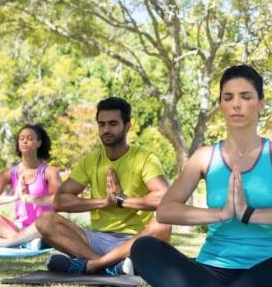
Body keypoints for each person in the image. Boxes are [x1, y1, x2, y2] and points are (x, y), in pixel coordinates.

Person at [131, 65, 272, 287]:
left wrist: (249, 214)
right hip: (210, 270)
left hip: (264, 273)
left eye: (246, 96)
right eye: (228, 97)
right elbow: (166, 210)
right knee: (144, 247)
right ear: (220, 105)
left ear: (261, 104)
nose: (236, 105)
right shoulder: (205, 156)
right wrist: (219, 214)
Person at [35, 97, 171, 275]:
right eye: (102, 124)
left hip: (136, 240)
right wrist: (104, 202)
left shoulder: (144, 158)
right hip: (97, 238)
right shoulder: (91, 160)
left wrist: (122, 200)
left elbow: (165, 198)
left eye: (113, 123)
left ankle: (92, 264)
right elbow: (60, 201)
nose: (106, 129)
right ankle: (108, 266)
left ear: (128, 126)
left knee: (163, 226)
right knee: (45, 221)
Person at [0, 124, 61, 249]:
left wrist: (27, 198)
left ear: (39, 143)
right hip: (20, 228)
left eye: (30, 138)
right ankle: (25, 242)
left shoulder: (50, 171)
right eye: (21, 138)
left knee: (48, 224)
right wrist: (15, 197)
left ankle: (12, 241)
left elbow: (57, 201)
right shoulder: (10, 173)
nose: (25, 141)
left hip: (42, 226)